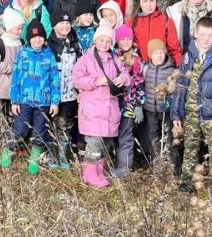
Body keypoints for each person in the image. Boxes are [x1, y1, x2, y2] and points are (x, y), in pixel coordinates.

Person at [172, 17, 212, 193]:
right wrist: (176, 114)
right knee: (190, 150)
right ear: (195, 34)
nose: (206, 39)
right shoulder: (187, 57)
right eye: (202, 34)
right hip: (191, 114)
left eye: (210, 35)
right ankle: (186, 185)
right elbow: (181, 86)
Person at [72, 24, 128, 188]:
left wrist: (123, 79)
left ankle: (98, 172)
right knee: (94, 143)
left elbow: (126, 74)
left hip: (109, 110)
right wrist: (96, 82)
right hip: (92, 109)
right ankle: (89, 174)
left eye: (108, 41)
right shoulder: (86, 59)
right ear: (95, 40)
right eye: (101, 40)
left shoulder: (115, 59)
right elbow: (77, 79)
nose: (104, 44)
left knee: (104, 144)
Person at [6, 20, 60, 175]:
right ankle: (8, 152)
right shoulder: (22, 54)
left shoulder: (49, 55)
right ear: (29, 39)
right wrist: (14, 100)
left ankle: (34, 160)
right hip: (24, 101)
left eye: (41, 37)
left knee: (40, 130)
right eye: (34, 37)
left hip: (43, 102)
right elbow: (15, 79)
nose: (38, 40)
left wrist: (54, 101)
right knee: (20, 128)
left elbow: (55, 80)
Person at [46, 10, 80, 169]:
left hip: (70, 93)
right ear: (54, 26)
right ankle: (52, 155)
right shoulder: (48, 44)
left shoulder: (75, 42)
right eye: (62, 23)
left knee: (66, 124)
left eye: (68, 23)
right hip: (52, 93)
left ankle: (63, 155)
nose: (66, 26)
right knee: (51, 123)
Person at [0, 11, 24, 151]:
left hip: (17, 88)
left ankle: (15, 143)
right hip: (1, 88)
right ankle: (5, 145)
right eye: (18, 28)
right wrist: (11, 68)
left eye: (21, 28)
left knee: (15, 117)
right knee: (2, 118)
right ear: (9, 27)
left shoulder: (21, 42)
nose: (20, 31)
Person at [114, 24, 146, 177]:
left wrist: (139, 104)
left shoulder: (137, 59)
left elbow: (140, 83)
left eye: (128, 39)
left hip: (129, 104)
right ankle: (108, 163)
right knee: (112, 134)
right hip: (112, 103)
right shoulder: (112, 56)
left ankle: (124, 167)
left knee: (126, 135)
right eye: (122, 39)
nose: (126, 42)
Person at [141, 39, 177, 168]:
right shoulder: (146, 69)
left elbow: (175, 91)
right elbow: (142, 87)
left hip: (165, 110)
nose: (160, 55)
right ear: (150, 55)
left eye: (162, 52)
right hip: (150, 109)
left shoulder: (171, 70)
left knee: (168, 136)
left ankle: (169, 162)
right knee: (153, 136)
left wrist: (169, 103)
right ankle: (156, 161)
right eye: (156, 53)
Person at [131, 0, 183, 66]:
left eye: (152, 0)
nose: (149, 5)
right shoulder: (133, 21)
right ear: (140, 3)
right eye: (145, 1)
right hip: (140, 68)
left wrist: (179, 68)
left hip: (161, 68)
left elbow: (175, 49)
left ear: (156, 1)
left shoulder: (166, 21)